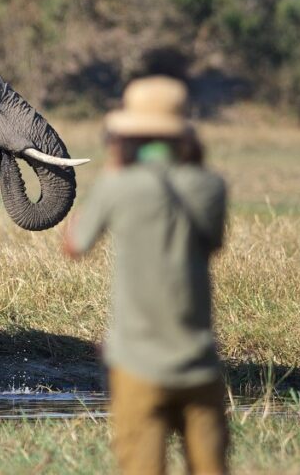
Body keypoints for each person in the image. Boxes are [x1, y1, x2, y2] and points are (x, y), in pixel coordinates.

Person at [63, 75, 229, 475]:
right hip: (200, 365)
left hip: (136, 365)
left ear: (125, 133)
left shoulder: (117, 185)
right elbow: (212, 245)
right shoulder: (210, 186)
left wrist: (113, 170)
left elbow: (74, 245)